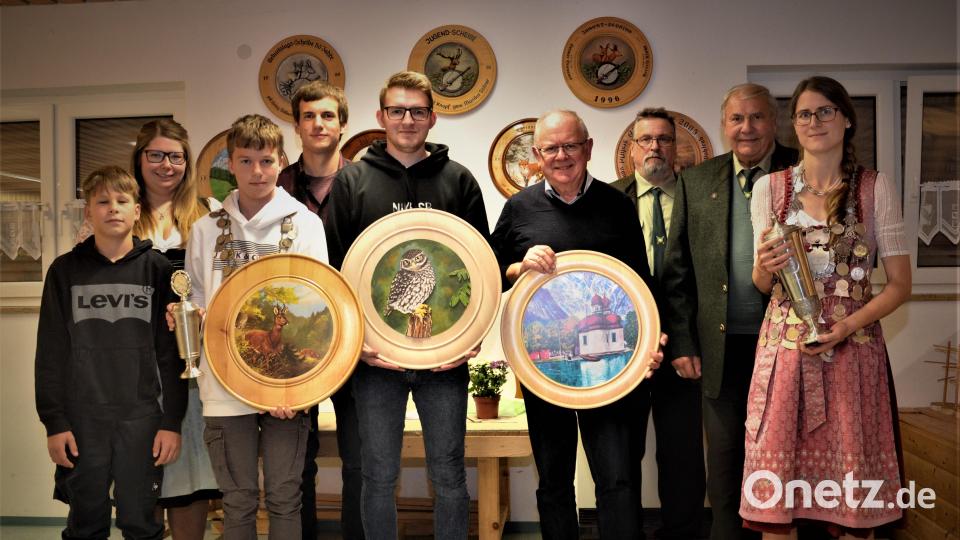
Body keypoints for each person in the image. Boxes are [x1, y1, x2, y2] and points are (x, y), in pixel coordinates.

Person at [741, 76, 909, 538]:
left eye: (824, 111)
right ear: (792, 126)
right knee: (777, 505)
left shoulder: (875, 188)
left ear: (847, 119)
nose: (814, 121)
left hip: (852, 352)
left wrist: (846, 325)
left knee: (855, 507)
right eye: (804, 114)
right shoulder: (768, 190)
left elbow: (899, 285)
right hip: (785, 353)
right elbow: (762, 284)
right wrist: (762, 266)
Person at [323, 71, 487, 540]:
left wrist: (470, 339)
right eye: (397, 110)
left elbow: (481, 268)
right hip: (377, 362)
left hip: (445, 360)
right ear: (381, 117)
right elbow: (337, 272)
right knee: (377, 478)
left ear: (432, 118)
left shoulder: (459, 181)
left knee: (450, 477)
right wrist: (357, 346)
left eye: (418, 110)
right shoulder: (352, 181)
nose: (408, 119)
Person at [491, 109, 664, 540]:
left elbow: (639, 282)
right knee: (552, 481)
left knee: (617, 479)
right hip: (541, 371)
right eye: (551, 147)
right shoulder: (519, 208)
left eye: (571, 145)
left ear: (588, 149)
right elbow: (490, 273)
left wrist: (651, 339)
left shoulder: (617, 205)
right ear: (537, 155)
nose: (562, 155)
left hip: (612, 372)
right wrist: (517, 267)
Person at [660, 83, 799, 540]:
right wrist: (681, 340)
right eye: (737, 119)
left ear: (774, 123)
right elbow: (676, 271)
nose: (747, 128)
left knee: (787, 458)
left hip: (787, 344)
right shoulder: (696, 182)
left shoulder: (800, 174)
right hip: (719, 350)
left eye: (757, 117)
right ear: (724, 126)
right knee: (724, 462)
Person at [179, 114, 327, 539]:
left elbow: (320, 301)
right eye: (245, 162)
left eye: (266, 160)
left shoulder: (306, 225)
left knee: (284, 496)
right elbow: (199, 300)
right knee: (238, 500)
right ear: (231, 165)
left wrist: (298, 388)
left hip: (285, 386)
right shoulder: (205, 230)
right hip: (223, 383)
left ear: (281, 161)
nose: (257, 172)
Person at [36, 165, 187, 540]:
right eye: (102, 201)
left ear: (138, 210)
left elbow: (172, 357)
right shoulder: (64, 271)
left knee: (141, 521)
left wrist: (171, 422)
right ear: (88, 212)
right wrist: (55, 423)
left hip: (142, 419)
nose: (113, 209)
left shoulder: (158, 270)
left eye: (122, 201)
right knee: (85, 521)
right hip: (82, 420)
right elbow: (50, 353)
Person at [612, 107, 706, 539]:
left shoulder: (699, 196)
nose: (655, 147)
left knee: (682, 455)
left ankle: (682, 533)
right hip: (624, 350)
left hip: (684, 350)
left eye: (664, 139)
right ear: (632, 148)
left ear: (675, 146)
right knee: (622, 454)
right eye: (645, 139)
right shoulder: (608, 200)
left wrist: (686, 340)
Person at [276, 81, 364, 540]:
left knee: (359, 458)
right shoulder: (277, 187)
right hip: (295, 339)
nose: (318, 124)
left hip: (353, 338)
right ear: (296, 125)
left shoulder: (365, 182)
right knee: (297, 458)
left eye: (327, 115)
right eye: (309, 116)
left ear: (342, 124)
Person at [131, 118, 222, 539]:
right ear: (140, 158)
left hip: (191, 364)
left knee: (189, 472)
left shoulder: (207, 216)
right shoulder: (119, 213)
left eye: (175, 156)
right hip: (133, 366)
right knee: (139, 474)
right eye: (156, 155)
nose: (166, 165)